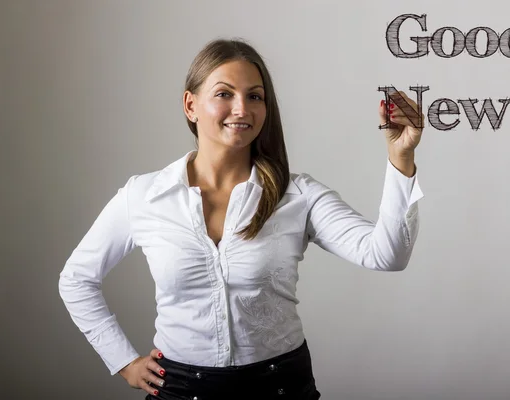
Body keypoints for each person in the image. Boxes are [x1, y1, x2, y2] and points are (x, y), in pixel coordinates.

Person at [58, 38, 424, 400]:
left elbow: (386, 255)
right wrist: (123, 361)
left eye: (254, 96)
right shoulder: (145, 195)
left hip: (280, 388)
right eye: (224, 94)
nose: (242, 109)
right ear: (191, 105)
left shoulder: (298, 195)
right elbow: (76, 279)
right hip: (181, 390)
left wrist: (401, 157)